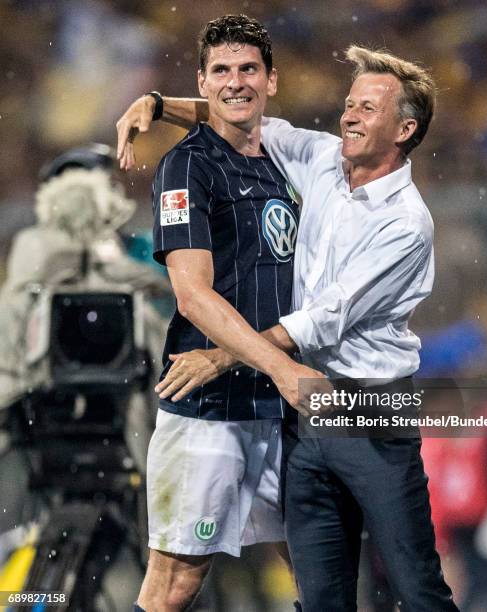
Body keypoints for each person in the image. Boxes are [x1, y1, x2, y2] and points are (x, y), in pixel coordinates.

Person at [117, 29, 459, 612]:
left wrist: (231, 355)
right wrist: (155, 103)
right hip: (271, 407)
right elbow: (239, 117)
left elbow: (325, 318)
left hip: (356, 405)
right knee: (272, 588)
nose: (349, 116)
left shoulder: (404, 222)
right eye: (349, 103)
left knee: (406, 584)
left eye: (367, 108)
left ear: (404, 131)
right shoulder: (312, 159)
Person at [122, 14, 326, 612]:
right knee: (176, 585)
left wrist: (159, 103)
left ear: (272, 80)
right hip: (211, 413)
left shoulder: (285, 156)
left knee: (319, 569)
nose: (235, 82)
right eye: (221, 71)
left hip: (279, 412)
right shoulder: (187, 167)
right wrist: (284, 370)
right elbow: (193, 296)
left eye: (248, 70)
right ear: (203, 81)